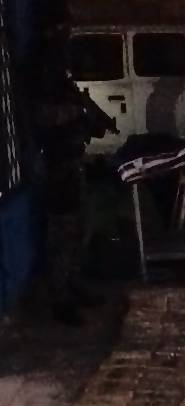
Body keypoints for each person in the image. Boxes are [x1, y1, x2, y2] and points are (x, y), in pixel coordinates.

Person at [29, 3, 116, 326]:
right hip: (56, 160)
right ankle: (59, 298)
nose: (68, 32)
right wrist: (80, 115)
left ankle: (72, 284)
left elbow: (73, 97)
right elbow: (42, 114)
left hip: (69, 155)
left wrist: (92, 115)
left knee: (77, 226)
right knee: (62, 230)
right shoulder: (42, 65)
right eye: (64, 27)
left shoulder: (57, 63)